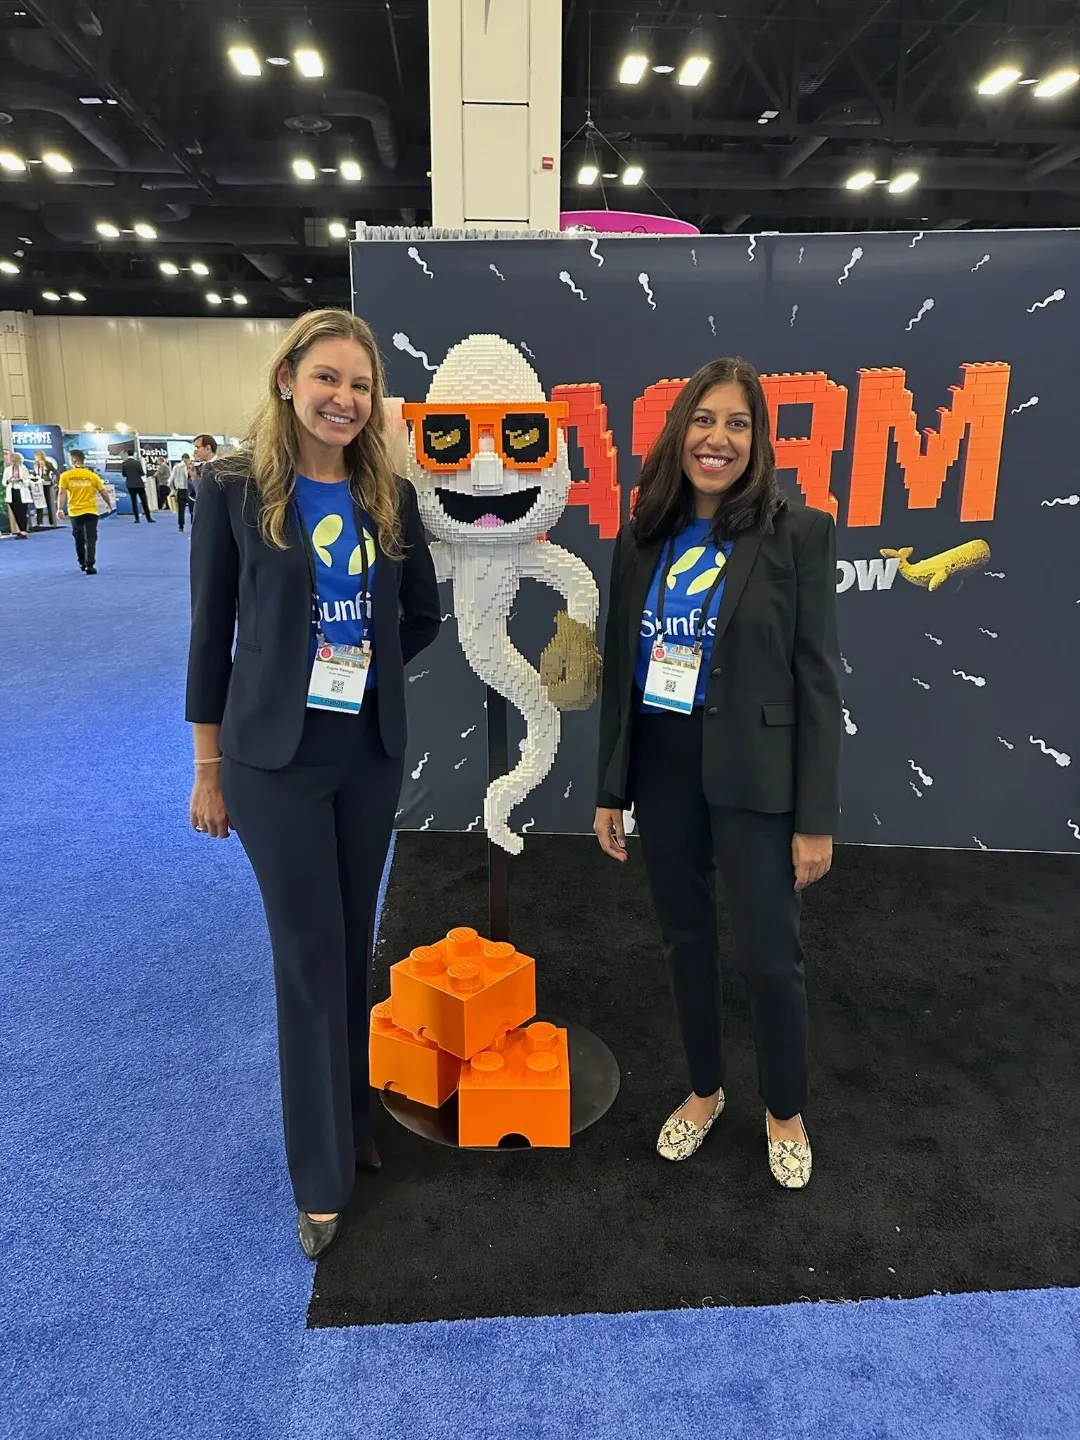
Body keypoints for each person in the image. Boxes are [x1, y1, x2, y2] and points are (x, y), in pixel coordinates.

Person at [186, 308, 440, 1260]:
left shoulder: (388, 495)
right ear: (288, 377)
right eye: (327, 377)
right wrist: (209, 766)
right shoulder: (232, 491)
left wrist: (366, 667)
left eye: (361, 385)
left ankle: (351, 1121)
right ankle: (320, 1176)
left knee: (349, 950)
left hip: (366, 754)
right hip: (271, 765)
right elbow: (211, 638)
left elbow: (421, 617)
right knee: (305, 958)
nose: (344, 398)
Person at [593, 356, 842, 1190]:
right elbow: (621, 666)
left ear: (758, 441)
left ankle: (784, 1110)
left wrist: (816, 817)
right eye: (705, 420)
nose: (719, 439)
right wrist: (610, 788)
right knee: (685, 940)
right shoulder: (643, 535)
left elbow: (818, 682)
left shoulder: (796, 534)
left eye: (738, 424)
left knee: (773, 955)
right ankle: (704, 1091)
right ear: (680, 431)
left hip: (758, 773)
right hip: (663, 764)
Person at [58, 450, 115, 572]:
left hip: (75, 511)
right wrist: (109, 504)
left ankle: (82, 562)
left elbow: (62, 493)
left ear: (73, 460)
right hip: (91, 511)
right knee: (91, 537)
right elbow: (103, 491)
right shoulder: (92, 476)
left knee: (78, 538)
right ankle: (90, 564)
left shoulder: (65, 476)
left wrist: (59, 509)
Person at [2, 450, 32, 537]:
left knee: (22, 512)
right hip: (12, 492)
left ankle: (23, 530)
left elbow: (27, 481)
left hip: (21, 491)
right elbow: (4, 481)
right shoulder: (7, 469)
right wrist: (9, 480)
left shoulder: (23, 469)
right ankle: (20, 529)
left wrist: (21, 480)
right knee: (15, 512)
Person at [121, 452, 155, 523]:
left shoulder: (124, 463)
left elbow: (124, 474)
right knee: (144, 501)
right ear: (133, 454)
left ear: (127, 454)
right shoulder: (137, 463)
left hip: (130, 484)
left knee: (134, 502)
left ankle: (137, 519)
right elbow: (142, 473)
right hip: (139, 484)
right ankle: (149, 518)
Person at [33, 450, 60, 526]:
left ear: (40, 456)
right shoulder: (35, 464)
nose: (35, 457)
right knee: (39, 503)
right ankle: (39, 523)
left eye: (36, 456)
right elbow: (35, 474)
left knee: (49, 503)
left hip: (47, 485)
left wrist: (55, 483)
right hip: (38, 485)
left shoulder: (48, 464)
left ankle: (52, 522)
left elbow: (57, 474)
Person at [171, 454, 195, 531]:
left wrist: (174, 489)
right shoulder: (192, 466)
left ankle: (181, 526)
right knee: (192, 510)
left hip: (181, 490)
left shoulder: (177, 467)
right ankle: (193, 526)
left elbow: (171, 480)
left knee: (181, 510)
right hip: (190, 490)